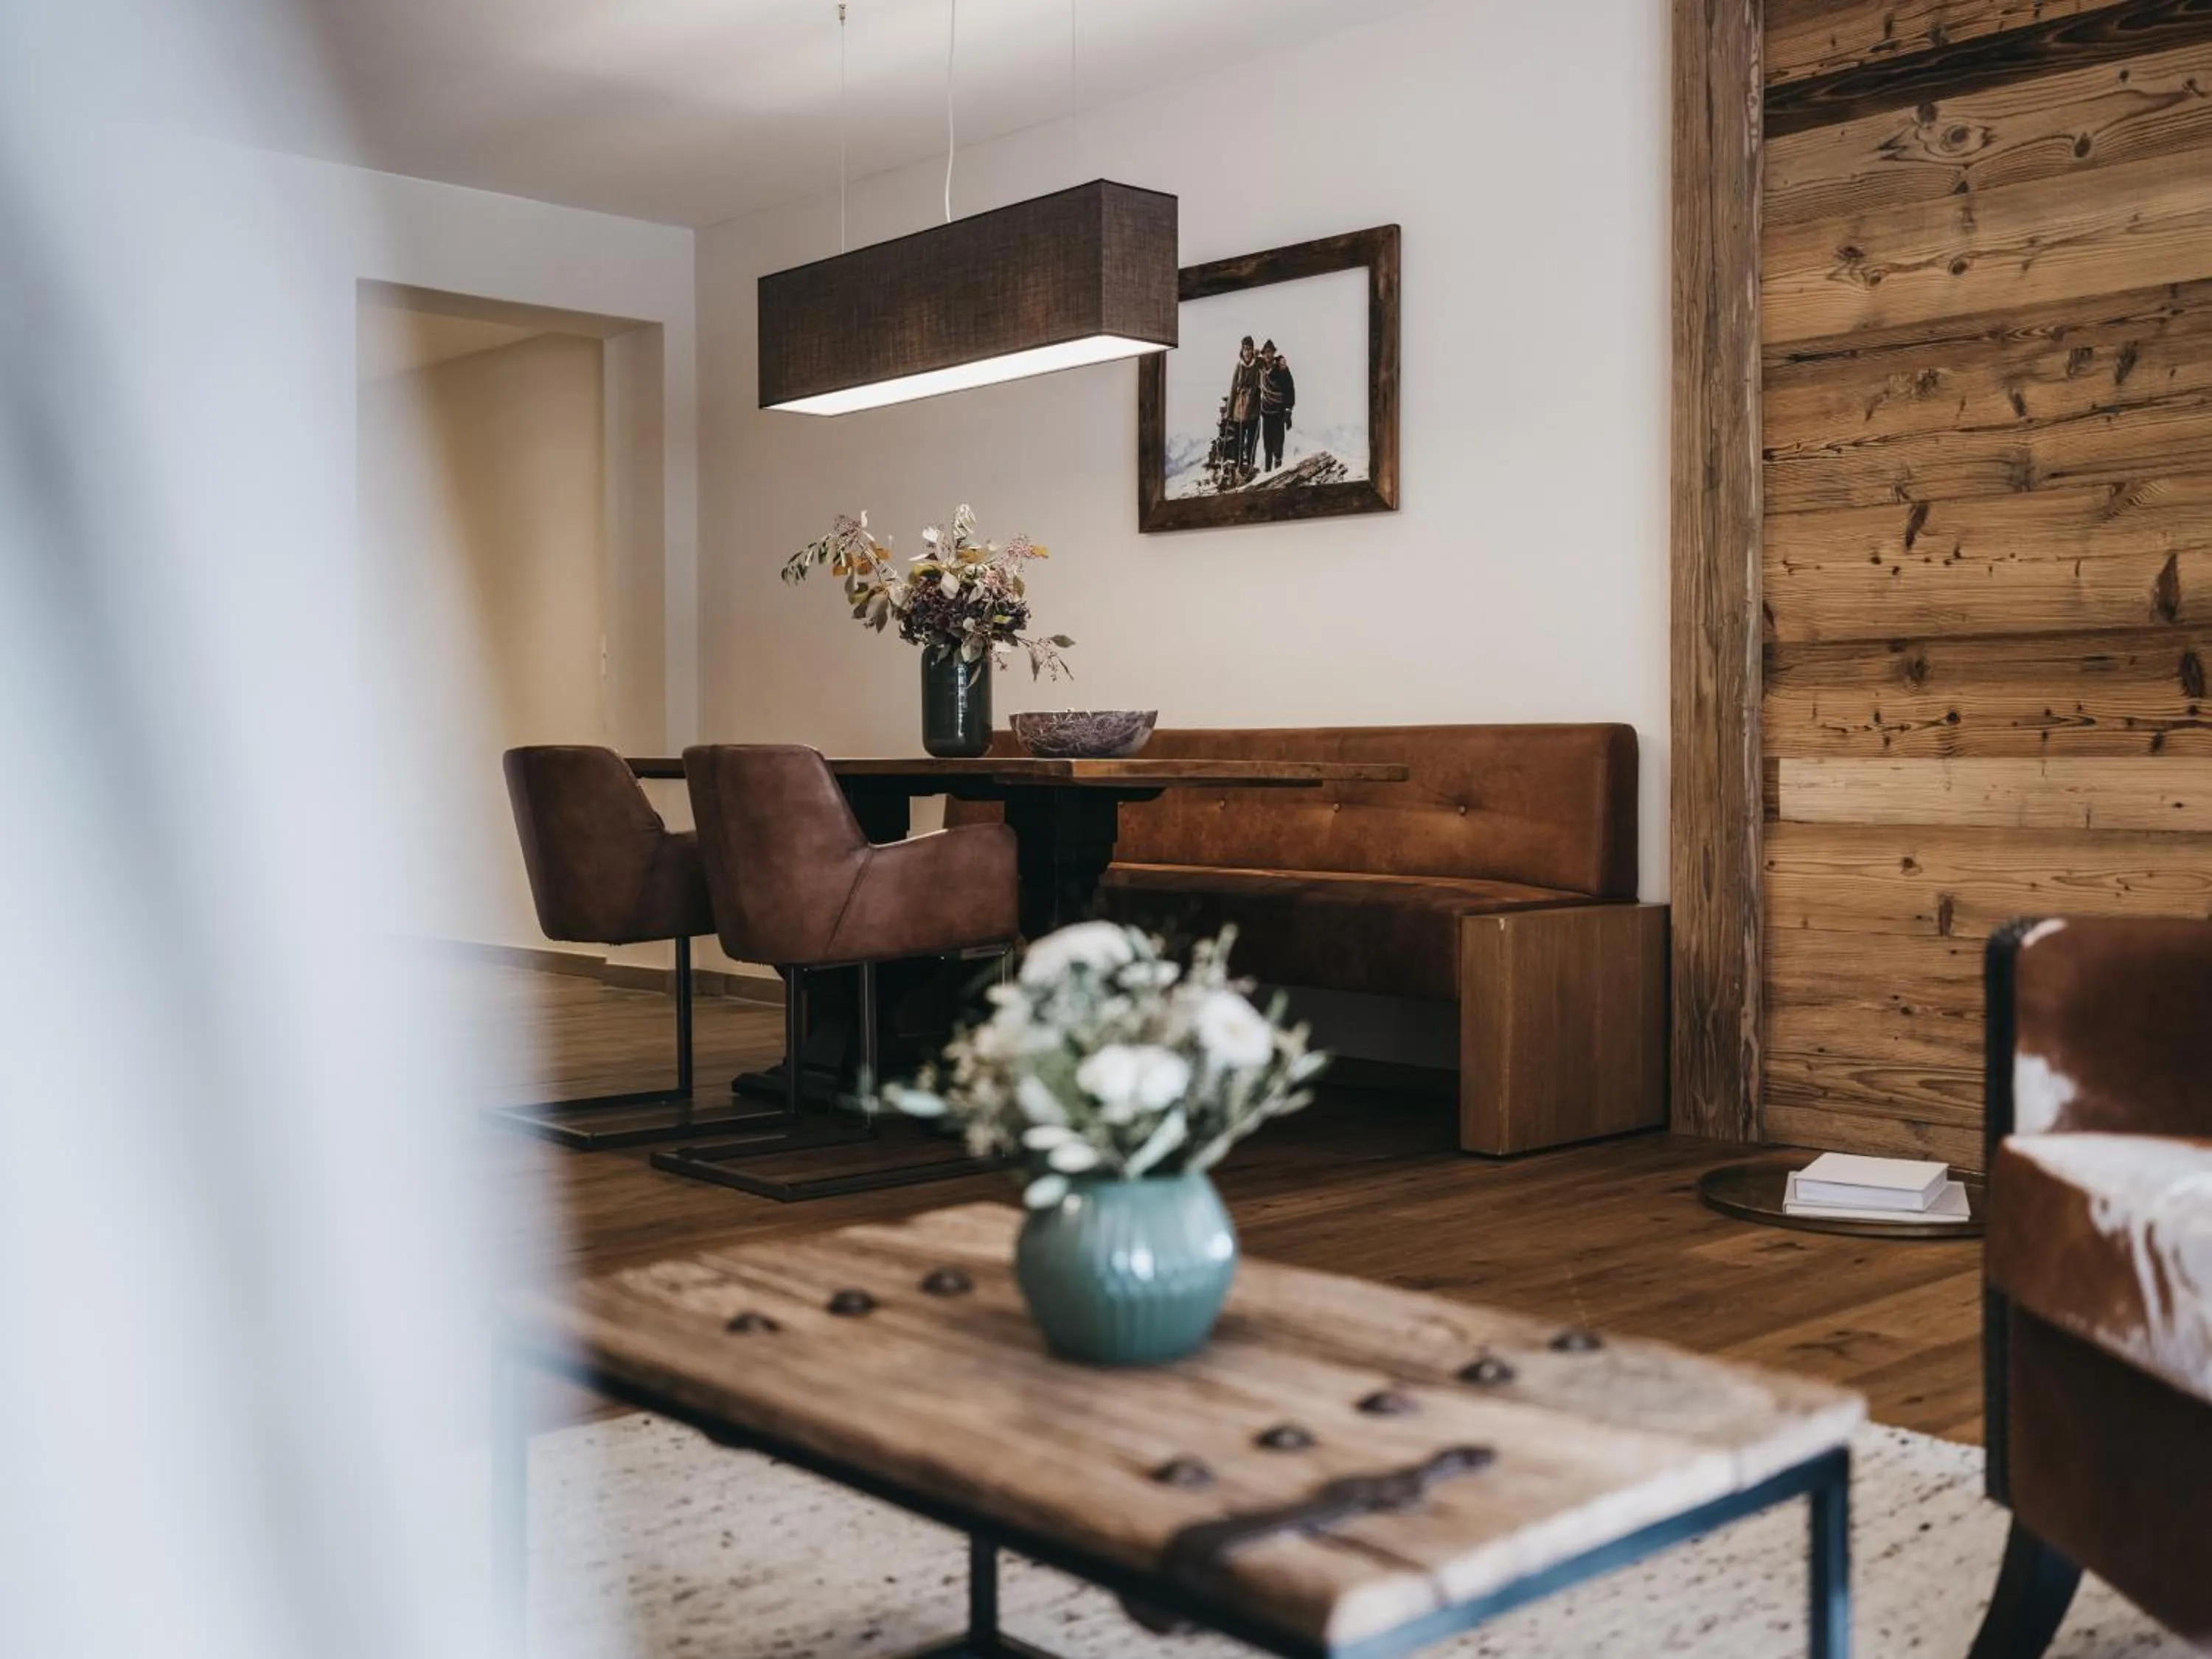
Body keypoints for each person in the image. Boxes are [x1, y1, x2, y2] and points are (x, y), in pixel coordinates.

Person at [1225, 335, 1264, 478]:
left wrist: (1259, 355)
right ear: (1242, 350)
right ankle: (1237, 470)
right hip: (1239, 411)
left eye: (1250, 349)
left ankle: (1250, 469)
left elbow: (1266, 362)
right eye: (1245, 349)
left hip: (1253, 409)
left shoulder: (1257, 363)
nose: (1247, 352)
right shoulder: (1239, 366)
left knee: (1252, 442)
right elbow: (1232, 389)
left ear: (1253, 350)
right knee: (1238, 443)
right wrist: (1229, 414)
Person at [1259, 343, 1295, 473]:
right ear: (1263, 354)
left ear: (1273, 353)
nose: (1268, 355)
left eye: (1270, 352)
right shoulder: (1261, 366)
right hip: (1266, 413)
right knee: (1267, 446)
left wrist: (1288, 411)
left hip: (1278, 413)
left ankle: (1278, 472)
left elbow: (1289, 389)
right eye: (1265, 352)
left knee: (1278, 446)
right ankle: (1268, 472)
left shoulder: (1282, 369)